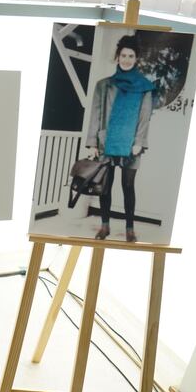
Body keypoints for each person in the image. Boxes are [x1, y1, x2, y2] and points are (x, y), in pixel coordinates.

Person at [86, 35, 155, 243]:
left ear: (136, 59)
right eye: (123, 55)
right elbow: (96, 114)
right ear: (117, 57)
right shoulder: (104, 85)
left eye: (130, 56)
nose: (126, 59)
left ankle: (130, 229)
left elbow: (145, 117)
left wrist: (139, 142)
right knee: (105, 186)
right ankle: (104, 226)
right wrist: (92, 143)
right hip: (106, 142)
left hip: (131, 145)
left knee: (128, 187)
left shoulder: (145, 87)